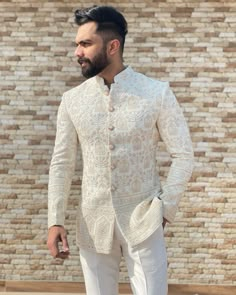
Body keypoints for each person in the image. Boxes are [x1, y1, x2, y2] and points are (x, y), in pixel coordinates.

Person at [47, 5, 194, 295]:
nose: (77, 52)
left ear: (113, 46)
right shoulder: (72, 100)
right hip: (92, 223)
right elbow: (62, 163)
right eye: (77, 44)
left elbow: (184, 154)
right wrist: (55, 220)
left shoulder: (156, 92)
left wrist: (166, 208)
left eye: (86, 44)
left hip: (144, 219)